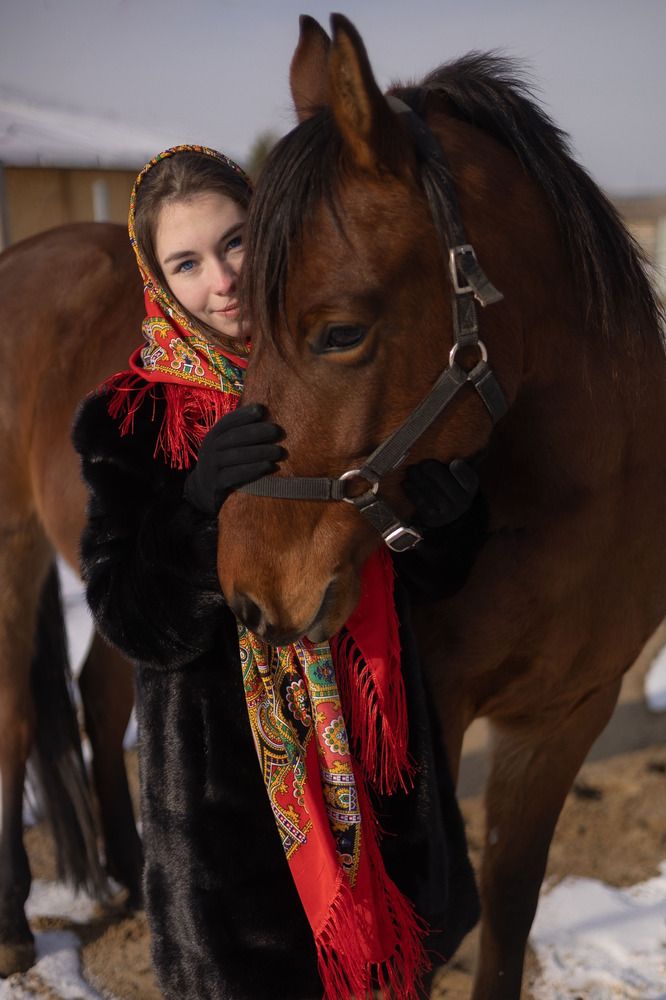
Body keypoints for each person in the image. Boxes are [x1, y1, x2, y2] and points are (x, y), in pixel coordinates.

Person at [72, 145, 484, 1000]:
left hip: (386, 798)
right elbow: (132, 618)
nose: (223, 281)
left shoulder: (342, 369)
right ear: (157, 279)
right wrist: (195, 508)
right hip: (235, 843)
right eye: (187, 263)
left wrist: (442, 523)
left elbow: (420, 583)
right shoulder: (130, 418)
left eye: (237, 242)